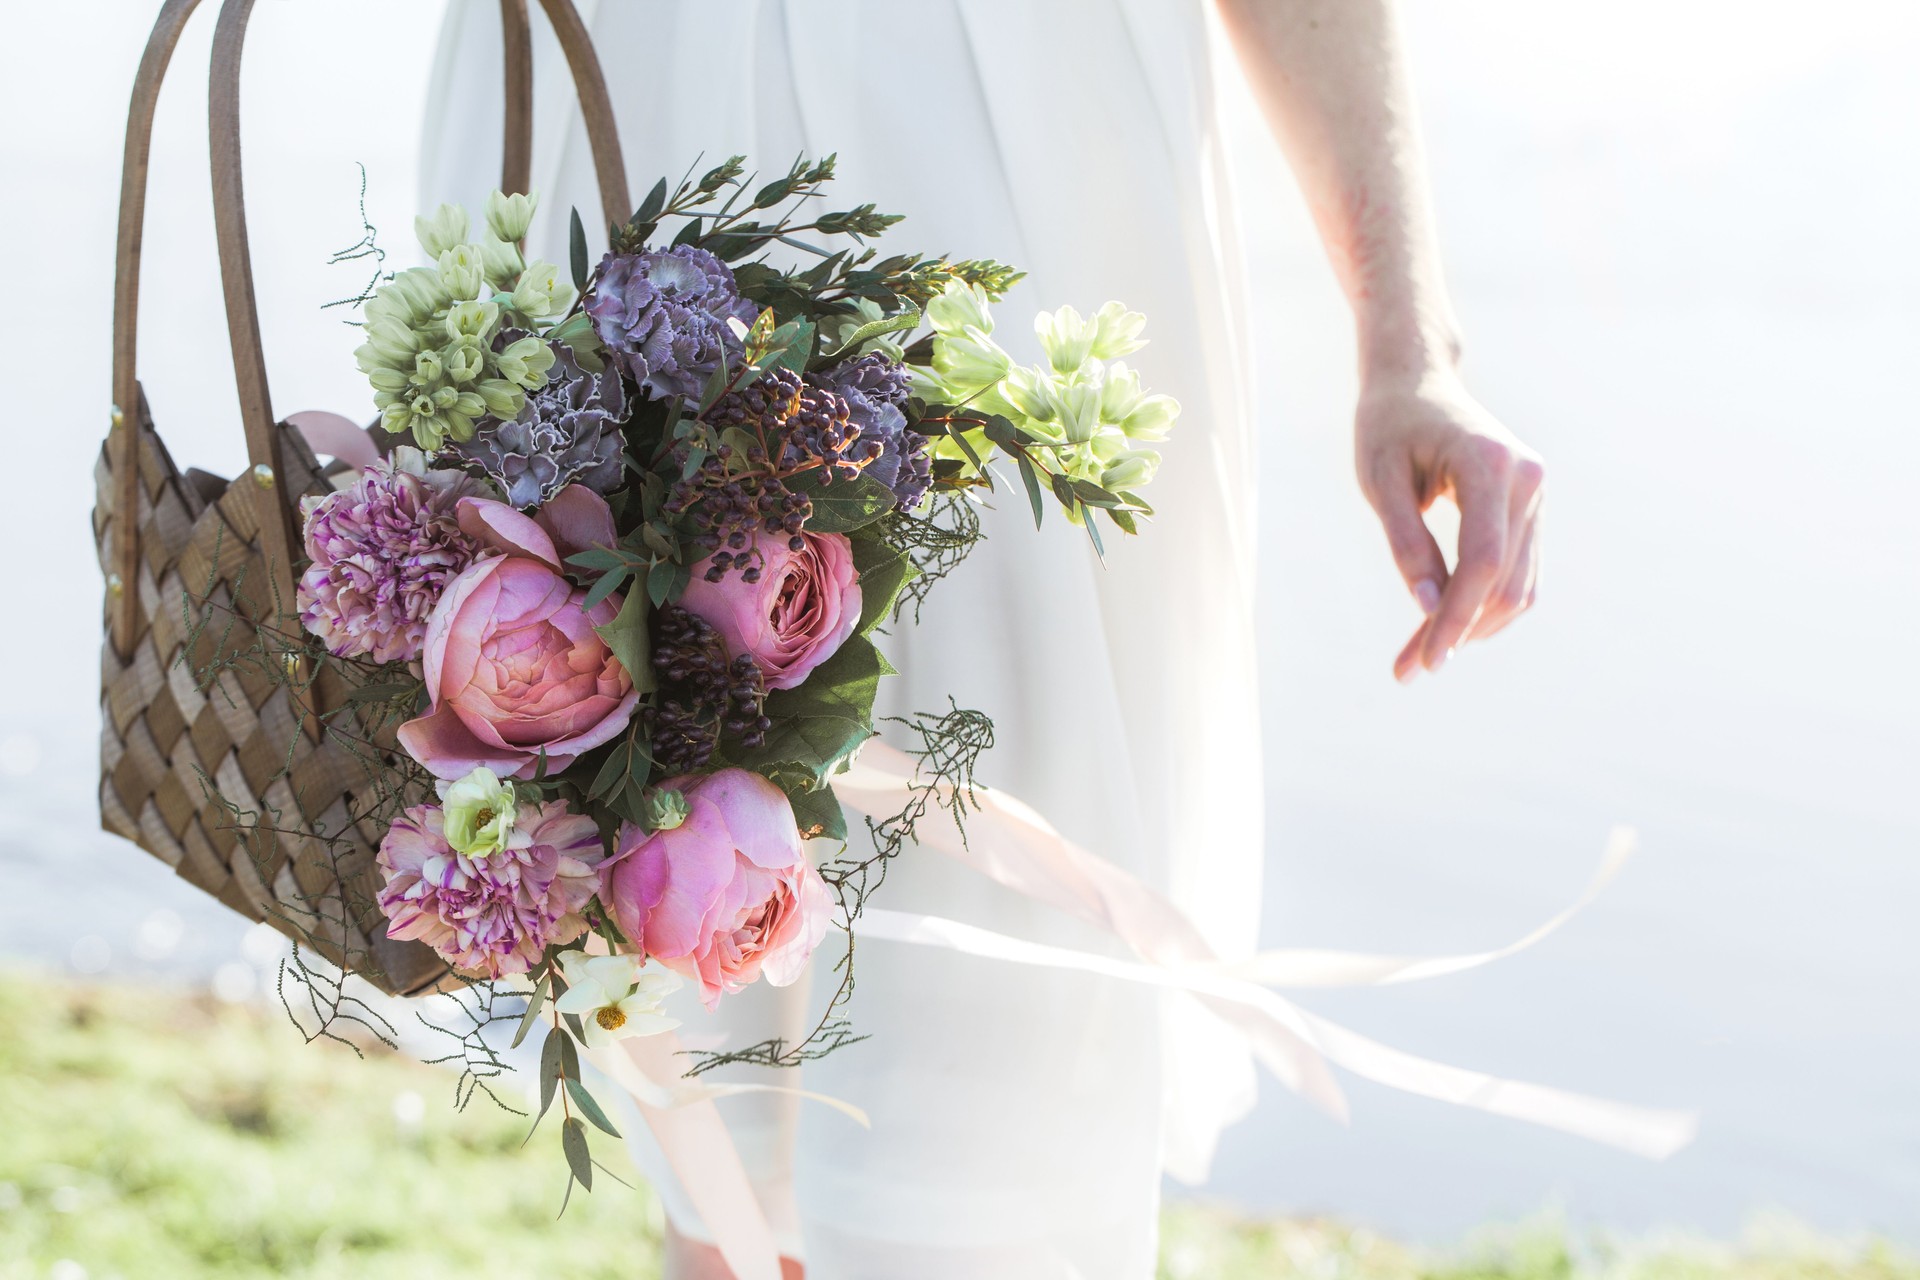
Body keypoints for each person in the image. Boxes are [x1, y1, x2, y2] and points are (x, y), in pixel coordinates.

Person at [422, 1, 1544, 1276]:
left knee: (986, 1131)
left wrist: (1409, 337)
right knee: (698, 1057)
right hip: (630, 114)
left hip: (1001, 171)